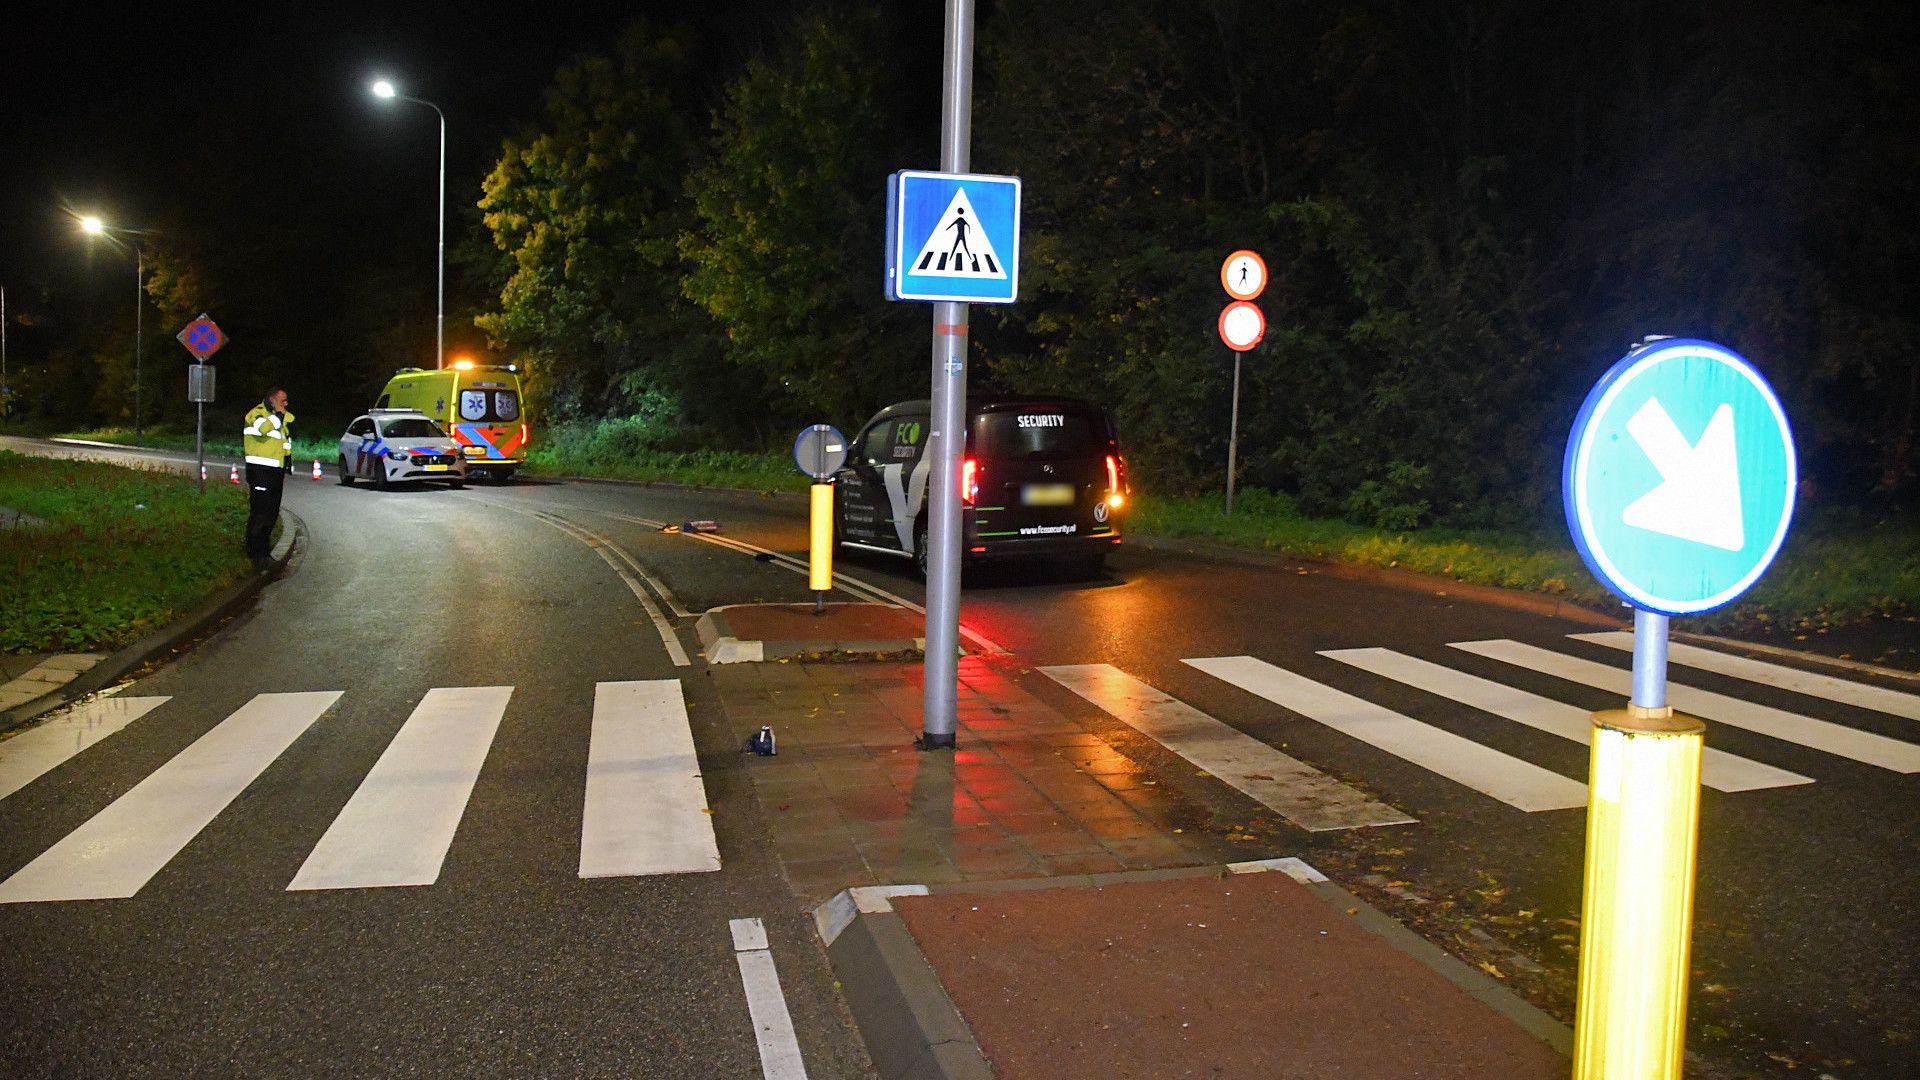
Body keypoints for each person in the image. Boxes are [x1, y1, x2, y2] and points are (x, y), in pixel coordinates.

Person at [241, 387, 294, 571]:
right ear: (271, 400)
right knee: (260, 514)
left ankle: (265, 554)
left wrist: (287, 461)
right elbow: (261, 429)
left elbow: (283, 442)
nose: (285, 404)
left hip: (275, 472)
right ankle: (255, 555)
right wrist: (277, 417)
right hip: (260, 472)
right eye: (282, 400)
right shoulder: (256, 415)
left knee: (271, 515)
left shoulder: (280, 420)